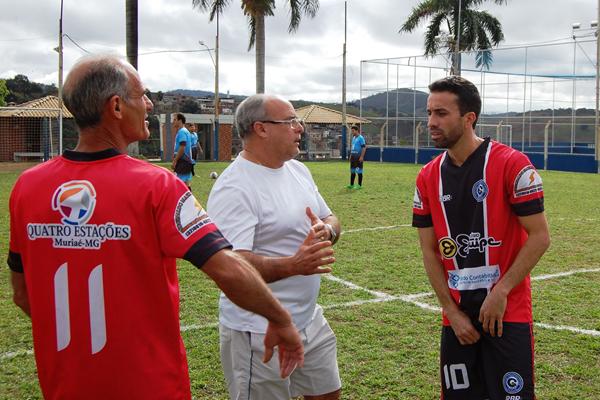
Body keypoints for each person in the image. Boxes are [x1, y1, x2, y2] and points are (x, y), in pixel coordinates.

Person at [7, 54, 304, 400]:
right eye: (142, 95)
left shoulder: (27, 187)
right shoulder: (156, 185)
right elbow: (228, 268)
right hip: (149, 384)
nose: (149, 103)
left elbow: (22, 294)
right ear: (116, 106)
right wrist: (280, 319)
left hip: (63, 384)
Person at [412, 75, 550, 400]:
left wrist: (501, 291)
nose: (431, 122)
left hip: (507, 312)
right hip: (457, 317)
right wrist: (451, 311)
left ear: (468, 118)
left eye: (441, 113)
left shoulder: (512, 164)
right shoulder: (427, 177)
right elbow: (429, 251)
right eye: (429, 113)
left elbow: (540, 236)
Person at [207, 94, 343, 400]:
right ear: (261, 128)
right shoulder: (235, 187)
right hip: (256, 327)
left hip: (308, 317)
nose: (300, 128)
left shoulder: (297, 170)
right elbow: (232, 266)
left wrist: (327, 231)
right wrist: (293, 265)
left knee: (328, 393)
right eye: (291, 121)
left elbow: (330, 217)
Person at [172, 113, 193, 190]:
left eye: (175, 120)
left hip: (183, 161)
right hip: (186, 161)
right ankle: (189, 196)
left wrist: (175, 160)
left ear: (180, 121)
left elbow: (182, 147)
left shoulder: (182, 132)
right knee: (186, 183)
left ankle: (187, 197)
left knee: (181, 184)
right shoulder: (185, 131)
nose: (173, 121)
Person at [347, 125, 366, 189]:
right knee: (352, 171)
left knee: (359, 171)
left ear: (357, 131)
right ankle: (351, 185)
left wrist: (361, 157)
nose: (352, 132)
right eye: (351, 131)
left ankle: (359, 185)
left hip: (358, 158)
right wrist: (351, 155)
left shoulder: (361, 138)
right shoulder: (354, 138)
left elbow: (364, 148)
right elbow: (353, 147)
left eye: (353, 131)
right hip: (353, 157)